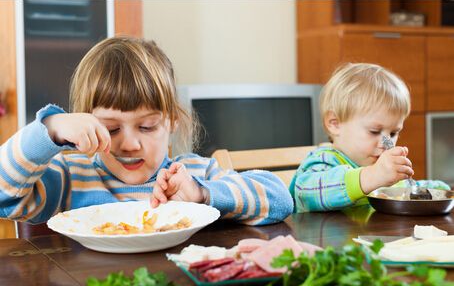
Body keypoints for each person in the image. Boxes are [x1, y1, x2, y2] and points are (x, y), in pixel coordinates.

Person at [0, 36, 293, 225]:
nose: (130, 144)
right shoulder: (70, 177)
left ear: (172, 121)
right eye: (111, 129)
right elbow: (5, 199)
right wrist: (48, 130)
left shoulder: (192, 174)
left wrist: (203, 194)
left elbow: (281, 200)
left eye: (147, 126)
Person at [289, 63, 450, 212]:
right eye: (374, 131)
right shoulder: (324, 160)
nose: (386, 143)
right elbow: (306, 193)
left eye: (393, 133)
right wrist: (372, 176)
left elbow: (405, 189)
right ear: (335, 123)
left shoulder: (384, 170)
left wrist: (439, 190)